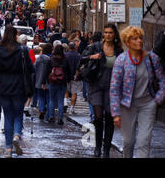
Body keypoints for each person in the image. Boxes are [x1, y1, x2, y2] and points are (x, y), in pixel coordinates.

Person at [110, 26, 164, 158]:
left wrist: (157, 100)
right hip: (127, 106)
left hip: (147, 105)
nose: (139, 41)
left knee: (144, 141)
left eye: (140, 38)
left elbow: (162, 81)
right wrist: (116, 113)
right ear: (127, 42)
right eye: (135, 39)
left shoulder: (152, 59)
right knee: (128, 142)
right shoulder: (121, 60)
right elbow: (114, 88)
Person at [0, 26, 35, 157]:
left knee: (8, 115)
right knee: (18, 113)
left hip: (3, 85)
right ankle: (16, 135)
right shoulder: (22, 49)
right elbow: (30, 67)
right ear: (16, 35)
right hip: (19, 85)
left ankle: (8, 149)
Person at [82, 24, 123, 158]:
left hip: (112, 88)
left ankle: (106, 149)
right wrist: (92, 57)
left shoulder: (119, 51)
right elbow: (82, 58)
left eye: (110, 32)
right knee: (98, 117)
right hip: (97, 85)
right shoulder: (96, 47)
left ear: (114, 34)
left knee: (110, 118)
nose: (108, 35)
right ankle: (98, 147)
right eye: (105, 32)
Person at [46, 44, 71, 125]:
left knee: (51, 99)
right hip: (62, 82)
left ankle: (51, 116)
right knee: (60, 100)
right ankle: (60, 118)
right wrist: (68, 80)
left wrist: (44, 81)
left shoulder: (51, 59)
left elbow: (47, 71)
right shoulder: (65, 59)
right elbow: (68, 71)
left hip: (52, 81)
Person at [34, 43, 53, 120]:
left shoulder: (38, 59)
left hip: (39, 80)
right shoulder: (50, 59)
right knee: (49, 98)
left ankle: (41, 110)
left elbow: (34, 69)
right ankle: (48, 114)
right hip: (48, 81)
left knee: (41, 97)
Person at [64, 41, 81, 114]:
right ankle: (71, 108)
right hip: (75, 76)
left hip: (66, 76)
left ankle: (64, 103)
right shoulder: (78, 55)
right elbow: (80, 67)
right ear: (75, 47)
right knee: (74, 92)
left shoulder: (65, 55)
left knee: (66, 91)